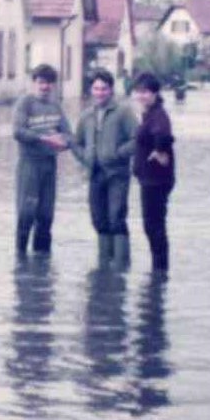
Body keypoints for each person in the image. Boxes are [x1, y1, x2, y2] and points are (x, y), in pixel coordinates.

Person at [73, 68, 138, 269]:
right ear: (91, 90)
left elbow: (138, 140)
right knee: (98, 218)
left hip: (118, 172)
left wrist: (118, 153)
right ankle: (103, 265)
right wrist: (85, 158)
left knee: (116, 216)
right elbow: (77, 143)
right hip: (95, 173)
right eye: (96, 89)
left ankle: (120, 265)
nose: (100, 92)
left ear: (111, 90)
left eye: (104, 89)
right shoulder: (86, 116)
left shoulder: (124, 112)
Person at [11, 64, 73, 256]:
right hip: (29, 163)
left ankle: (42, 265)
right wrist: (46, 138)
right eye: (41, 82)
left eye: (49, 83)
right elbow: (17, 132)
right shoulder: (25, 103)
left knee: (46, 216)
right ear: (34, 83)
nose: (45, 87)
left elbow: (69, 134)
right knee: (26, 213)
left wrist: (64, 143)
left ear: (53, 85)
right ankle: (20, 260)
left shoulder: (56, 106)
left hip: (49, 164)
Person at [132, 71, 176, 275]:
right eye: (139, 91)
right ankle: (159, 270)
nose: (142, 95)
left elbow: (164, 136)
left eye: (147, 92)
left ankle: (160, 272)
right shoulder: (150, 113)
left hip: (156, 181)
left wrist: (159, 152)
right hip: (150, 179)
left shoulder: (158, 114)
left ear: (156, 93)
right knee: (153, 225)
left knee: (154, 226)